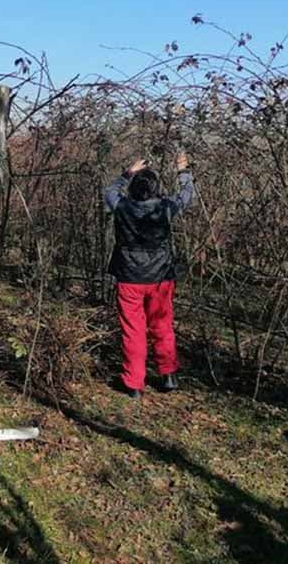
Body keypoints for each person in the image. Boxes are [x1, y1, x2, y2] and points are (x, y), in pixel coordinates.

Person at [103, 152, 195, 398]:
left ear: (132, 189)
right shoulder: (165, 208)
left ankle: (134, 384)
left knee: (133, 330)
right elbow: (187, 195)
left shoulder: (122, 207)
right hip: (160, 278)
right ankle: (168, 376)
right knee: (162, 326)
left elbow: (109, 191)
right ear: (156, 190)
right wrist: (182, 170)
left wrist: (127, 173)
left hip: (129, 278)